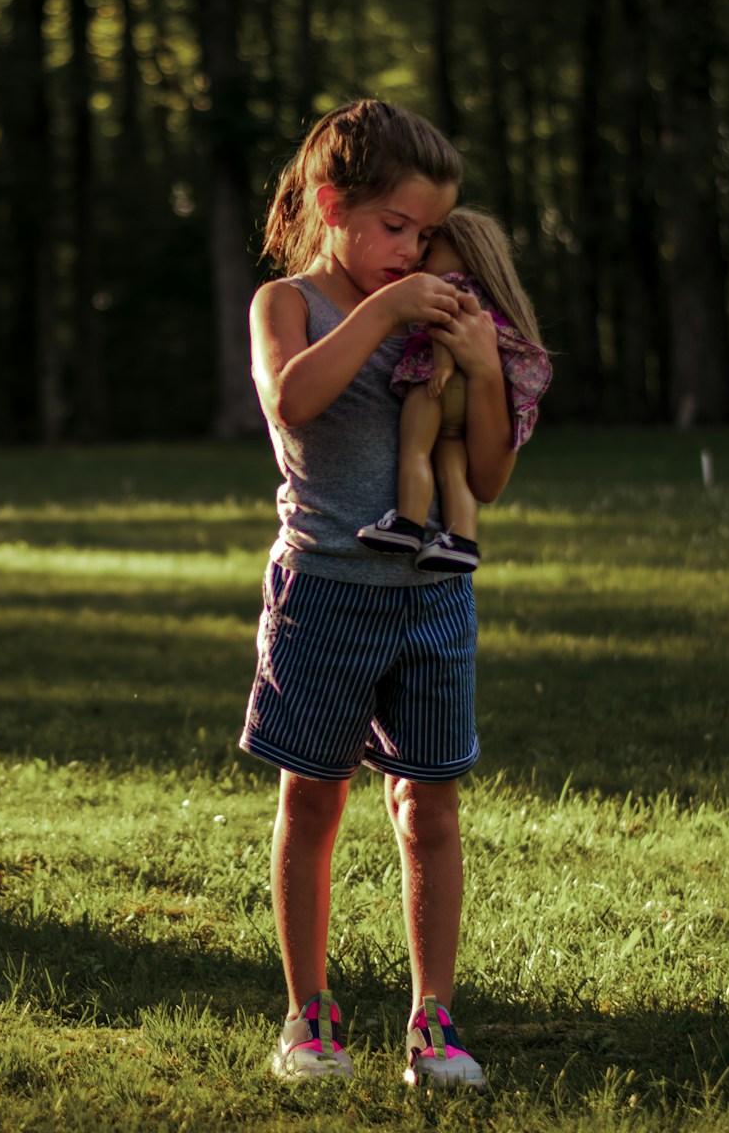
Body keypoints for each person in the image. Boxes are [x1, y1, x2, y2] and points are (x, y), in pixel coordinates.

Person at [241, 99, 518, 1089]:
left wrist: (483, 368)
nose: (413, 248)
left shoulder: (426, 309)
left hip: (433, 603)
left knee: (430, 807)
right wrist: (383, 312)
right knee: (313, 800)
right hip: (325, 594)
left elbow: (484, 478)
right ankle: (307, 1016)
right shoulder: (290, 306)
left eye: (425, 232)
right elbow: (294, 400)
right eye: (396, 226)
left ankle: (431, 1022)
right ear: (332, 203)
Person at [357, 207, 552, 573]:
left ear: (464, 251)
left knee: (415, 450)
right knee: (452, 466)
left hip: (433, 382)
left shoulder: (447, 289)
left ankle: (408, 524)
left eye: (428, 250)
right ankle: (461, 539)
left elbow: (443, 327)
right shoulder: (486, 303)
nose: (417, 258)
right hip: (464, 397)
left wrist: (441, 370)